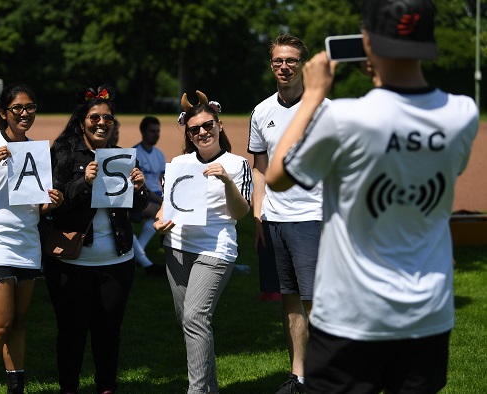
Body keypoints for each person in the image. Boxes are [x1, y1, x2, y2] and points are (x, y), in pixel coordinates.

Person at [265, 1, 478, 393]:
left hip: (352, 316)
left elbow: (277, 176)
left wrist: (312, 96)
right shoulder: (463, 113)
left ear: (367, 43)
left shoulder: (344, 118)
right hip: (427, 316)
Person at [43, 85, 149, 394]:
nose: (102, 122)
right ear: (81, 122)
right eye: (94, 117)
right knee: (71, 332)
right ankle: (69, 388)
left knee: (108, 332)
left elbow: (138, 209)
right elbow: (51, 204)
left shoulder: (122, 157)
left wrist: (140, 188)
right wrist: (84, 182)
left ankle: (106, 387)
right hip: (70, 261)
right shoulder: (62, 153)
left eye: (108, 118)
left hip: (117, 261)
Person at [0, 83, 64, 394]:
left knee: (18, 323)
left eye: (30, 107)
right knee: (1, 323)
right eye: (17, 108)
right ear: (4, 113)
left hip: (27, 244)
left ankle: (16, 387)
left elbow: (36, 205)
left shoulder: (35, 150)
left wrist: (51, 203)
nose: (24, 114)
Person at [154, 91, 252, 394]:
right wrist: (159, 222)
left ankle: (196, 391)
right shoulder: (180, 163)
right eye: (194, 129)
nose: (202, 132)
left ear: (219, 125)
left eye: (207, 125)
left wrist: (225, 180)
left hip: (215, 248)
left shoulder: (236, 164)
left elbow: (240, 213)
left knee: (196, 317)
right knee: (190, 322)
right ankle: (209, 389)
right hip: (178, 247)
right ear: (188, 133)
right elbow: (166, 206)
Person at [247, 34, 327, 393]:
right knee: (290, 302)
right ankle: (299, 378)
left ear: (302, 65)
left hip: (312, 218)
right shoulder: (261, 112)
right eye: (278, 60)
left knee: (316, 304)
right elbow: (260, 169)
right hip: (275, 222)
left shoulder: (324, 109)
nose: (284, 66)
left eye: (291, 60)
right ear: (271, 65)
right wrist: (259, 216)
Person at [132, 116, 167, 276]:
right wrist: (162, 201)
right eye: (152, 131)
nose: (156, 134)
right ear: (143, 132)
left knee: (162, 212)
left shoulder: (159, 155)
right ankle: (140, 254)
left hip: (157, 196)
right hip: (141, 195)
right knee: (160, 211)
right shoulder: (135, 153)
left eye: (158, 131)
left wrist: (167, 197)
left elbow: (162, 179)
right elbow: (141, 186)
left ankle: (138, 252)